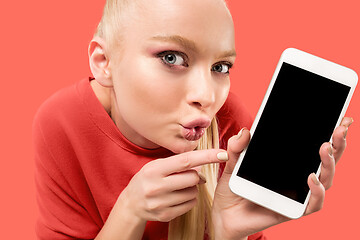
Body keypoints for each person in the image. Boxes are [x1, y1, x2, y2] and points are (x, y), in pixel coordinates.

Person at [32, 0, 353, 239]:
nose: (207, 96)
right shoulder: (62, 123)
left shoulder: (230, 126)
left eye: (221, 66)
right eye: (171, 58)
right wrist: (130, 211)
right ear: (104, 63)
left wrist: (228, 234)